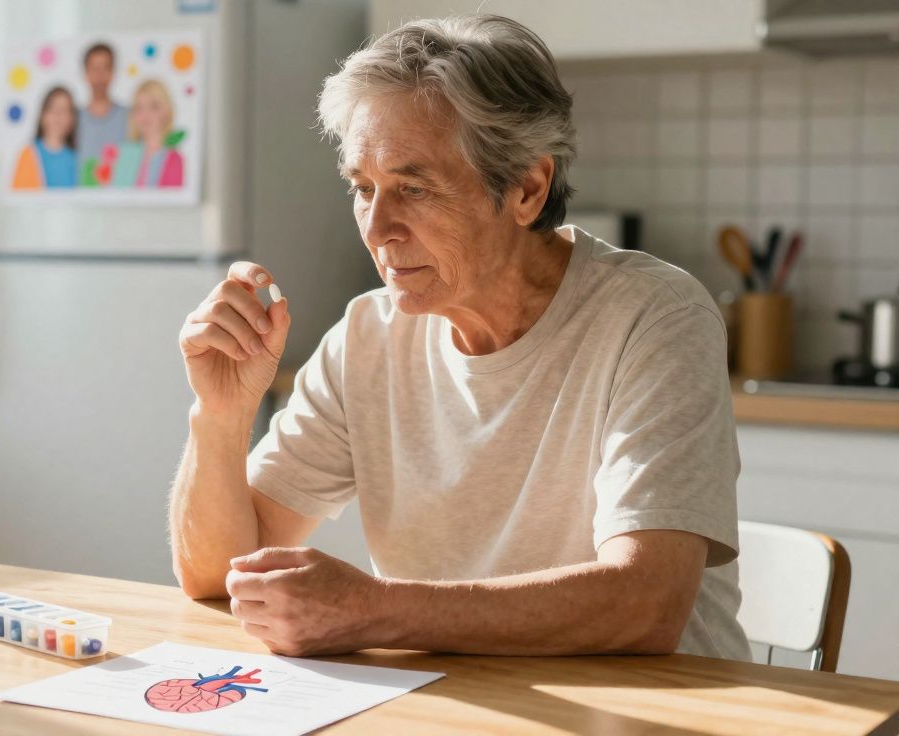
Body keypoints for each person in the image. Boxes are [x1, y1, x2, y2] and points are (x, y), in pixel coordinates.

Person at [169, 15, 751, 662]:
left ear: (527, 188)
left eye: (413, 188)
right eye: (363, 189)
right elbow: (217, 575)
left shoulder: (653, 318)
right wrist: (220, 417)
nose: (378, 227)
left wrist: (372, 611)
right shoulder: (367, 336)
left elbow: (647, 604)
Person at [110, 79, 184, 188]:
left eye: (153, 107)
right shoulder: (126, 155)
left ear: (166, 112)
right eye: (139, 108)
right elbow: (118, 197)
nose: (145, 115)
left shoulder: (173, 159)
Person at [76, 42, 128, 186]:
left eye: (105, 68)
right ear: (86, 73)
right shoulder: (72, 119)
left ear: (113, 72)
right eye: (94, 69)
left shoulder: (130, 117)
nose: (99, 76)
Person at [12, 86, 78, 190]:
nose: (58, 116)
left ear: (72, 119)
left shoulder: (77, 157)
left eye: (64, 110)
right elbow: (19, 198)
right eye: (53, 109)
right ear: (43, 115)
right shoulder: (28, 154)